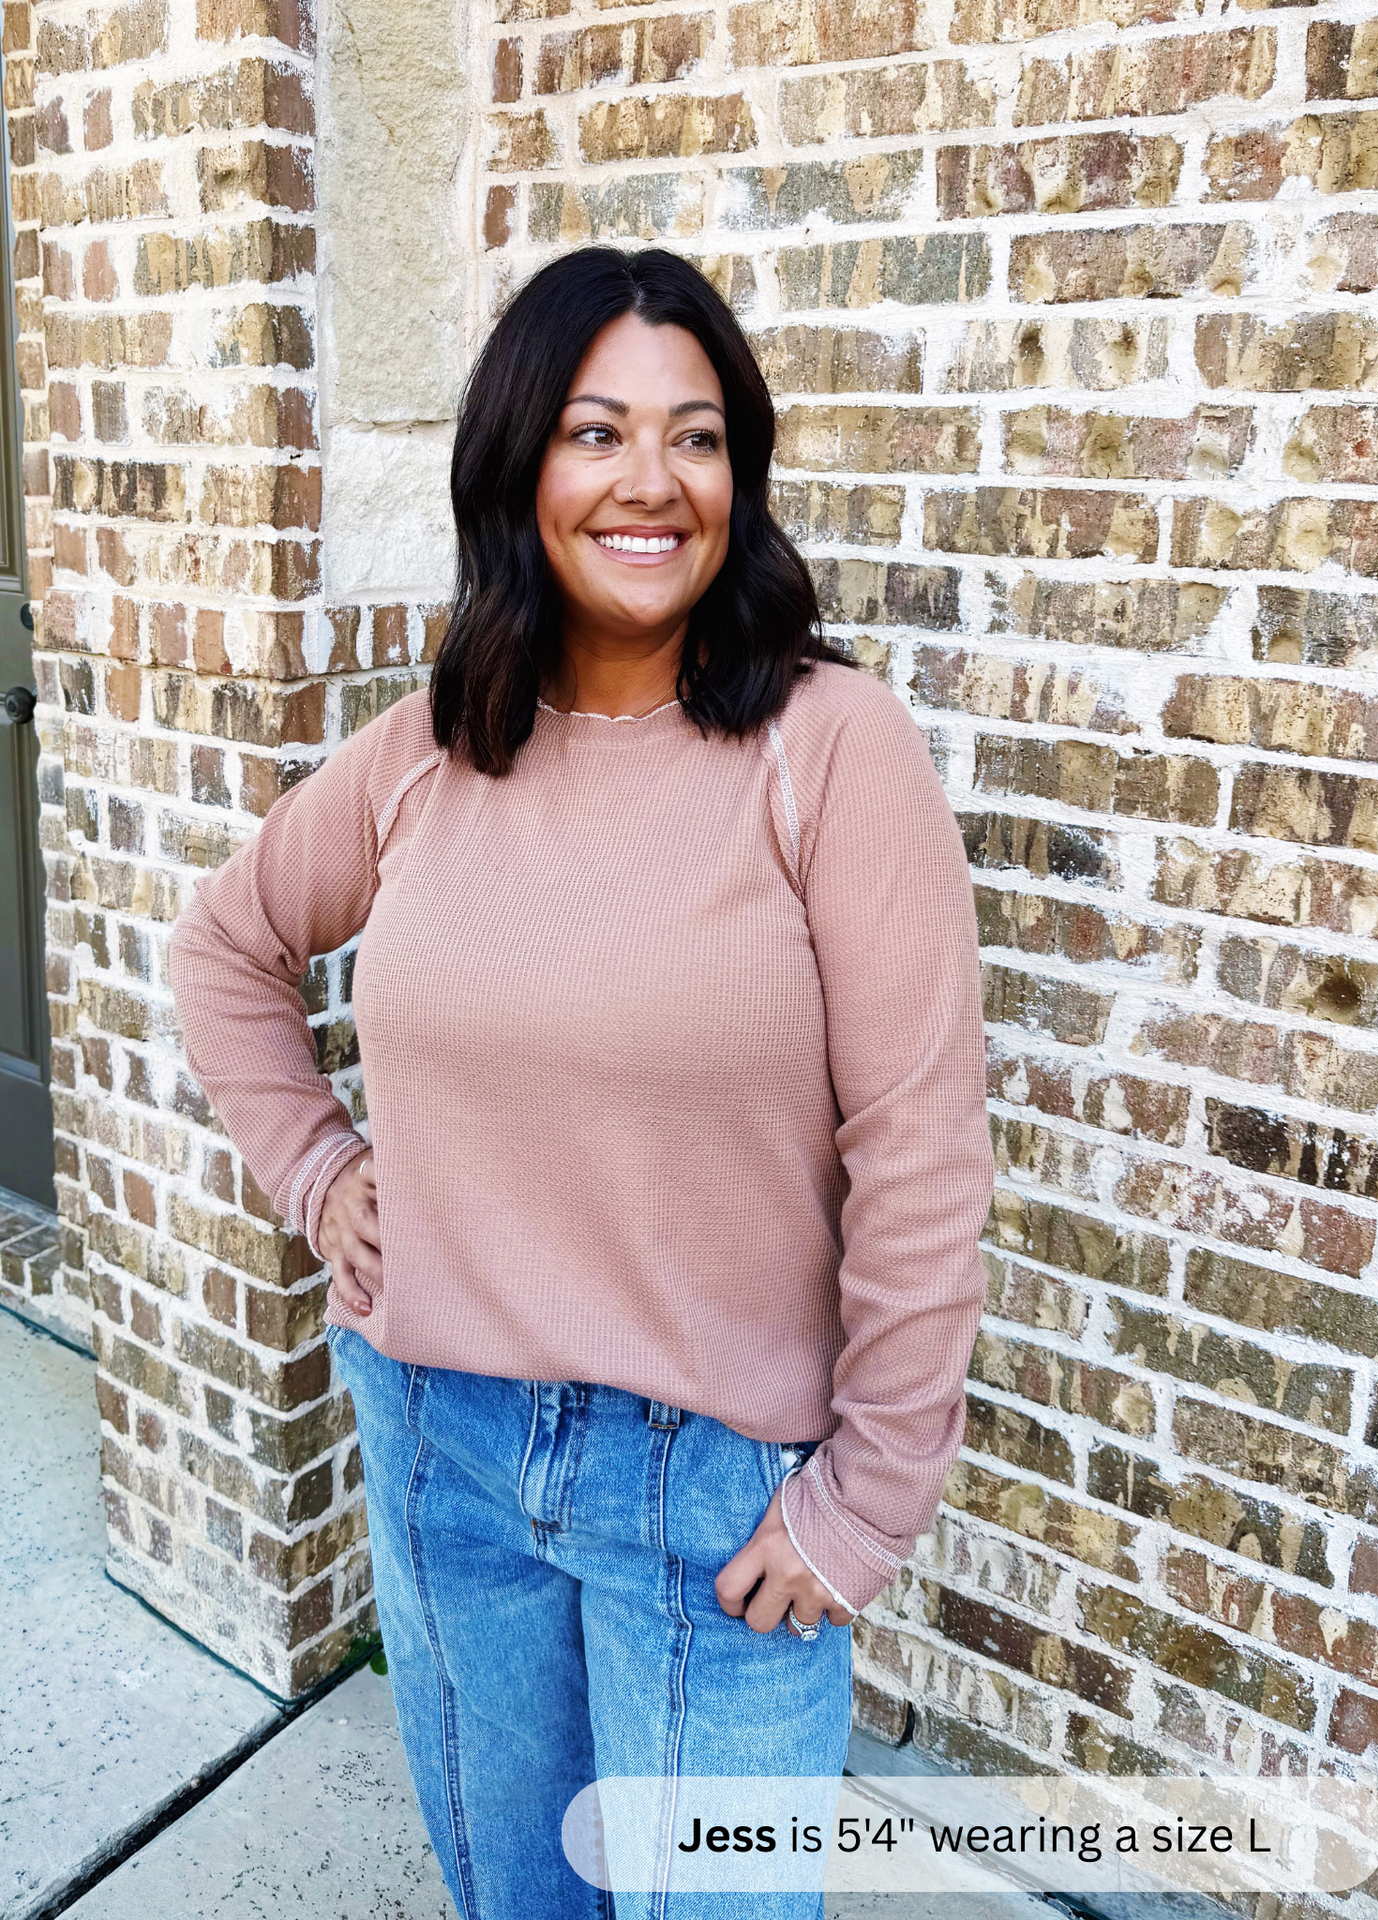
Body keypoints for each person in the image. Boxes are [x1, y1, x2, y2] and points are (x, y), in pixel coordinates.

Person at [167, 245, 993, 1920]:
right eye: (597, 431)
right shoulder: (426, 751)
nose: (649, 482)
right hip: (438, 1445)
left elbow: (920, 1146)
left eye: (696, 439)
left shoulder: (833, 749)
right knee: (513, 1898)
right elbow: (221, 952)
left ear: (738, 479)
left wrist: (869, 1501)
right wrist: (322, 1174)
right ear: (518, 463)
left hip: (714, 1501)